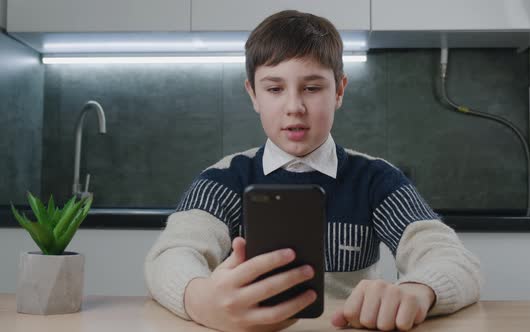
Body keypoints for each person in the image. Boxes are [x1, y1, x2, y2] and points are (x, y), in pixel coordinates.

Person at [145, 9, 481, 332]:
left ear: (339, 91)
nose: (294, 107)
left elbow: (448, 256)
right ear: (253, 95)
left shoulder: (376, 179)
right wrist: (199, 299)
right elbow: (172, 254)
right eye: (275, 89)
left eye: (312, 87)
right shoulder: (223, 180)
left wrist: (419, 289)